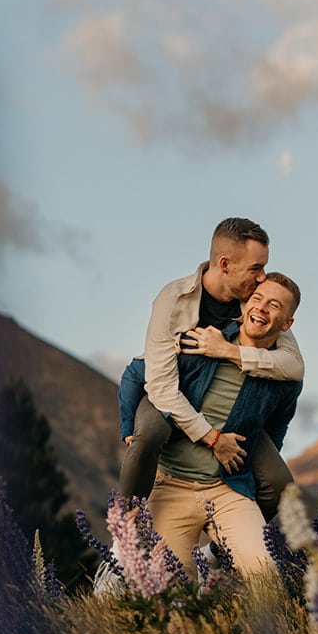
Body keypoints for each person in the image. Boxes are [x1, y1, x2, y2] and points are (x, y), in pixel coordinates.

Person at [116, 273, 303, 579]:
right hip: (171, 486)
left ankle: (222, 559)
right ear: (244, 305)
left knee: (266, 575)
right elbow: (136, 373)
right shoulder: (201, 339)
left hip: (227, 492)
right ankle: (119, 551)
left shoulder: (284, 380)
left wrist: (251, 480)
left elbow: (274, 432)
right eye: (257, 299)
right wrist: (127, 426)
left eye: (274, 305)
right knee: (172, 590)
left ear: (286, 324)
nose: (262, 309)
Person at [120, 217, 302, 522]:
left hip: (233, 408)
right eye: (256, 268)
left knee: (280, 484)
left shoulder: (256, 303)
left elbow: (293, 366)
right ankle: (122, 540)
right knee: (150, 433)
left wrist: (228, 351)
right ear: (225, 264)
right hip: (173, 392)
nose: (262, 278)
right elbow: (161, 388)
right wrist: (213, 438)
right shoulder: (172, 300)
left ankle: (217, 554)